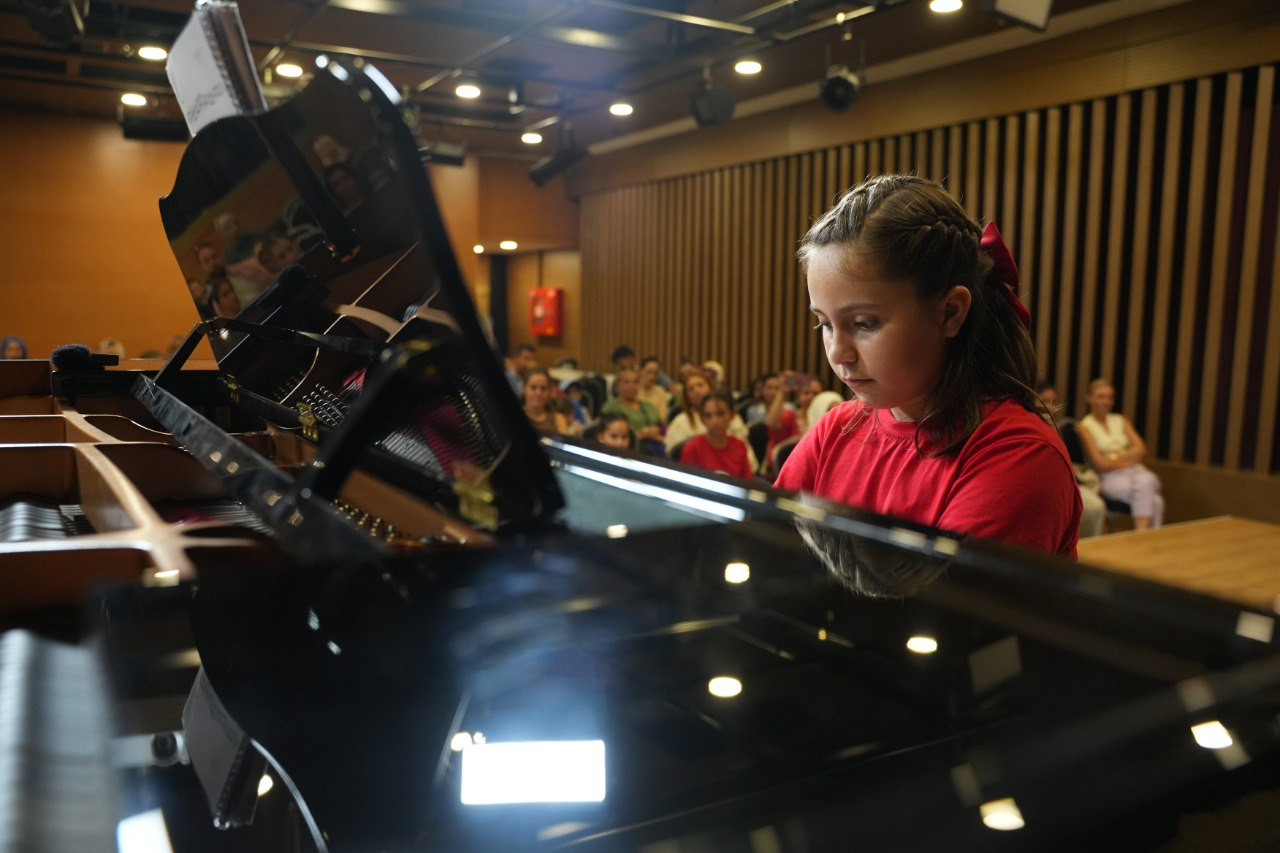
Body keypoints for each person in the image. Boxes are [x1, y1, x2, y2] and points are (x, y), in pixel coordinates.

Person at [775, 174, 1081, 581]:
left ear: (950, 312)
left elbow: (939, 612)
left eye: (864, 323)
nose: (837, 353)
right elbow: (770, 556)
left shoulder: (1018, 454)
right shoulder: (835, 429)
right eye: (824, 324)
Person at [1077, 378, 1164, 530]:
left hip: (1135, 472)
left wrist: (1113, 458)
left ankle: (1144, 538)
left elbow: (1141, 449)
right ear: (1089, 398)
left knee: (1148, 486)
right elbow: (1100, 464)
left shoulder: (1120, 420)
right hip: (1108, 478)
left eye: (1110, 397)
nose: (1106, 401)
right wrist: (1129, 456)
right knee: (1154, 496)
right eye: (1101, 397)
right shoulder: (1085, 426)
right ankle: (1144, 536)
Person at [1039, 382, 1107, 538]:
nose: (1050, 406)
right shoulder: (1029, 425)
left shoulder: (1059, 427)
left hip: (1064, 480)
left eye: (1054, 401)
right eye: (1045, 400)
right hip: (1043, 482)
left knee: (1095, 506)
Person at [664, 371, 758, 471]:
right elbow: (673, 458)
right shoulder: (681, 422)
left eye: (700, 385)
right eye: (691, 389)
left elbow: (749, 463)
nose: (697, 391)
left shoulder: (738, 443)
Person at [680, 391, 753, 479]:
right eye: (708, 416)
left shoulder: (740, 446)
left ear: (732, 416)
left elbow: (747, 483)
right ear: (702, 419)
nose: (714, 421)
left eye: (720, 414)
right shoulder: (692, 449)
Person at [602, 369, 664, 454]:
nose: (632, 386)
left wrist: (654, 431)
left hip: (653, 448)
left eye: (635, 382)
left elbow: (659, 426)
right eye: (626, 382)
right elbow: (612, 434)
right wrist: (644, 434)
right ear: (618, 386)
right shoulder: (610, 407)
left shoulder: (648, 407)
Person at [522, 367, 571, 438]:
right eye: (533, 387)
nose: (538, 393)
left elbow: (565, 442)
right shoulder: (512, 416)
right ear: (524, 389)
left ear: (550, 391)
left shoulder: (558, 419)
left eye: (543, 388)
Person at [637, 356, 671, 422]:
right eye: (649, 372)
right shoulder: (633, 389)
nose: (652, 376)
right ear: (641, 371)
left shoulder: (660, 391)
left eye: (655, 373)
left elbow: (662, 417)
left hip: (656, 425)